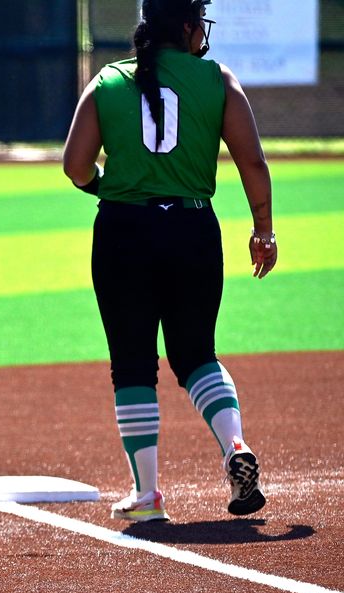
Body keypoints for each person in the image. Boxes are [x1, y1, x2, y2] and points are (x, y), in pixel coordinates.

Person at [63, 0, 275, 522]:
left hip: (123, 230)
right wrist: (263, 231)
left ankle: (148, 495)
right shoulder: (218, 79)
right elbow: (252, 159)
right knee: (197, 355)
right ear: (186, 26)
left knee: (133, 363)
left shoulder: (108, 82)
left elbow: (74, 165)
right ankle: (235, 446)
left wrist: (107, 188)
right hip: (193, 228)